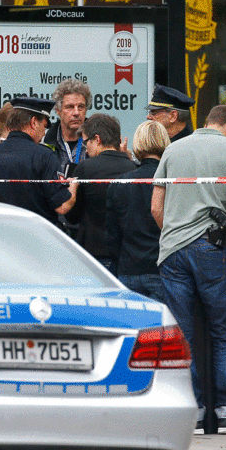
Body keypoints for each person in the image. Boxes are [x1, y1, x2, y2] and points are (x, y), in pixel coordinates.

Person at [151, 105, 226, 434]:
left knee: (183, 336)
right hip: (211, 246)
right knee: (223, 333)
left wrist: (172, 232)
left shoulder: (173, 149)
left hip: (172, 250)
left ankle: (192, 414)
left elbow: (156, 205)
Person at [0, 96, 77, 224]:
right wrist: (73, 186)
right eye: (44, 126)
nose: (44, 133)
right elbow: (62, 206)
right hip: (35, 237)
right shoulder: (45, 157)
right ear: (33, 122)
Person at [107, 120, 169, 303]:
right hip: (162, 268)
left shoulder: (119, 183)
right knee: (162, 329)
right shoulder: (172, 181)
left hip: (128, 268)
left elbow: (112, 234)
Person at [65, 114, 136, 268]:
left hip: (94, 251)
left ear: (97, 139)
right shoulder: (132, 168)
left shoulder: (85, 168)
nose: (86, 149)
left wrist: (70, 190)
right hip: (126, 253)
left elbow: (72, 216)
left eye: (86, 143)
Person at [44, 78, 91, 178]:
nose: (76, 113)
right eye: (70, 107)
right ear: (58, 111)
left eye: (81, 107)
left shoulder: (97, 140)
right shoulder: (44, 141)